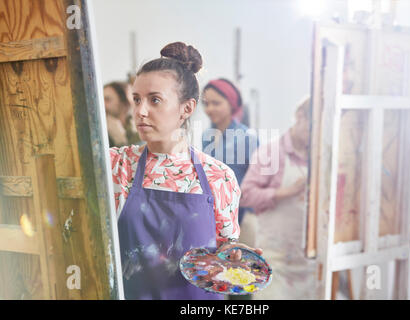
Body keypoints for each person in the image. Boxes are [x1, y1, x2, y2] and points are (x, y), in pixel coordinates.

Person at [109, 42, 262, 300]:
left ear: (187, 108)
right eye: (136, 100)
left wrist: (236, 256)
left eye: (155, 100)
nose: (140, 111)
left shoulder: (218, 177)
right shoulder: (117, 166)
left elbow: (224, 250)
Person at [240, 96, 317, 300]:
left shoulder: (320, 156)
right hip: (277, 261)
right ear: (300, 117)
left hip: (310, 264)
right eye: (313, 127)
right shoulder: (271, 153)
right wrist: (286, 192)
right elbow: (245, 195)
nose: (316, 135)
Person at [201, 79, 259, 300]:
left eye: (216, 103)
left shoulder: (247, 138)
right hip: (215, 218)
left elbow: (257, 181)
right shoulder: (207, 136)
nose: (209, 109)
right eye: (206, 103)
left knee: (240, 280)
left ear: (231, 104)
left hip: (242, 218)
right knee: (219, 278)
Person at [104, 81, 142, 147]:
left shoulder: (140, 132)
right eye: (101, 100)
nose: (103, 104)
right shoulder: (101, 133)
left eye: (107, 99)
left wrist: (120, 141)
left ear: (124, 103)